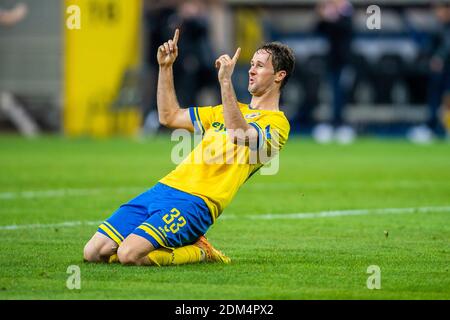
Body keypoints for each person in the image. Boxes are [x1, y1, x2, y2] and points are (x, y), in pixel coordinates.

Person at [83, 29, 295, 266]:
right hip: (164, 189)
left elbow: (239, 134)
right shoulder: (221, 111)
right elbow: (169, 116)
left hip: (197, 203)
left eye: (260, 65)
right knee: (94, 252)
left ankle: (200, 251)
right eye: (252, 64)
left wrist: (225, 81)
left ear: (279, 76)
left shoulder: (277, 123)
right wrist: (165, 67)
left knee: (129, 255)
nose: (251, 70)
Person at [313, 0, 355, 144]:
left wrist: (330, 17)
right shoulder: (330, 12)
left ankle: (341, 124)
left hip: (345, 61)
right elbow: (318, 30)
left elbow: (344, 28)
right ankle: (334, 124)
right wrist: (322, 16)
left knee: (341, 93)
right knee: (332, 93)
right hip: (332, 61)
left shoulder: (347, 11)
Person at [407, 3, 450, 143]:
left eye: (440, 10)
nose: (438, 13)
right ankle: (435, 128)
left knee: (445, 99)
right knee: (437, 98)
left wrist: (439, 58)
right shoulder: (440, 27)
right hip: (441, 70)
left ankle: (438, 129)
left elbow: (446, 46)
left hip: (445, 69)